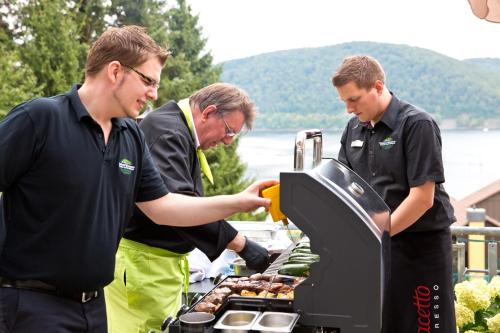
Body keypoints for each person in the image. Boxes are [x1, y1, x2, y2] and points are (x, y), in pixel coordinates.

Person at [0, 25, 274, 333]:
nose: (154, 94)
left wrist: (238, 202)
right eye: (148, 81)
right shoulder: (40, 118)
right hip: (32, 304)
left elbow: (164, 207)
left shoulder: (130, 135)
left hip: (94, 305)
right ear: (115, 71)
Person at [104, 83, 269, 332]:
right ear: (209, 112)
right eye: (228, 131)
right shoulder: (168, 133)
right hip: (141, 267)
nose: (226, 142)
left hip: (155, 269)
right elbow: (177, 206)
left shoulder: (176, 128)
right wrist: (240, 243)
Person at [332, 55, 456, 332]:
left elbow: (422, 199)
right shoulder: (353, 128)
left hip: (421, 247)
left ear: (377, 87)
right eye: (344, 102)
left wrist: (375, 237)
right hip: (379, 245)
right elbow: (344, 186)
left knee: (429, 325)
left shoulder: (417, 124)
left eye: (354, 99)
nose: (349, 109)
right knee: (385, 323)